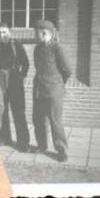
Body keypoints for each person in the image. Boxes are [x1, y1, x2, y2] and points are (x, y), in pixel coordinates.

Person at [0, 22, 30, 152]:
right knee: (3, 111)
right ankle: (6, 138)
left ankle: (23, 142)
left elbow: (26, 63)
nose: (2, 35)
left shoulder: (16, 45)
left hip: (14, 80)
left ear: (9, 33)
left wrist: (21, 76)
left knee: (19, 112)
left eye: (4, 32)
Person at [33, 20, 72, 162]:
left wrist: (58, 84)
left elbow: (67, 70)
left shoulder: (57, 48)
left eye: (35, 33)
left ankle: (61, 149)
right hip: (39, 89)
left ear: (44, 33)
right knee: (38, 119)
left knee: (55, 120)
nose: (34, 36)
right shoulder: (37, 49)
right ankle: (42, 146)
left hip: (54, 90)